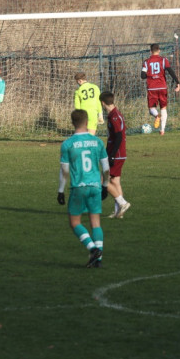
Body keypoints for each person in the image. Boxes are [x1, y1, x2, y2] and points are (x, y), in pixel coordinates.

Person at [56, 109, 111, 267]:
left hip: (79, 187)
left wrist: (60, 191)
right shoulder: (98, 142)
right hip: (95, 186)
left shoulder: (68, 144)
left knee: (75, 222)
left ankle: (93, 249)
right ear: (87, 122)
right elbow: (106, 168)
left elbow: (65, 171)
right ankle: (98, 260)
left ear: (72, 123)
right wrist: (105, 186)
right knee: (96, 223)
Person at [99, 91, 131, 219]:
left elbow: (118, 136)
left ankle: (122, 203)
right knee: (115, 181)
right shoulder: (115, 113)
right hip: (118, 153)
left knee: (101, 179)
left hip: (116, 154)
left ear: (102, 103)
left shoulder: (114, 116)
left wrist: (111, 155)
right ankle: (119, 212)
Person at [141, 43, 180, 135]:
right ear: (159, 50)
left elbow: (142, 76)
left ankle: (156, 115)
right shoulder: (163, 60)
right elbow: (170, 71)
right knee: (163, 108)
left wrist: (150, 74)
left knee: (151, 108)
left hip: (152, 88)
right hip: (162, 87)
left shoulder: (146, 62)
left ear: (150, 51)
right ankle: (162, 130)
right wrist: (177, 82)